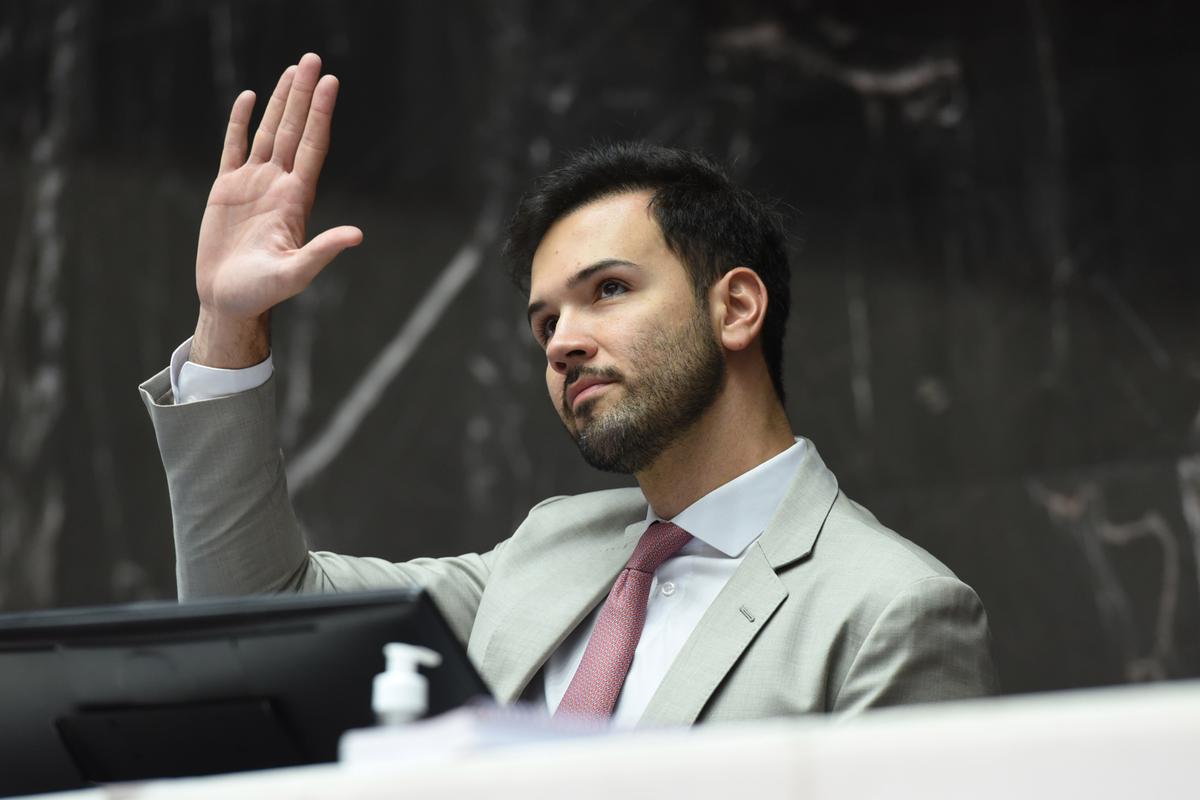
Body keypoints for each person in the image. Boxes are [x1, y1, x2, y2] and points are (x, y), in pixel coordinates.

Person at [140, 53, 996, 726]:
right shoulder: (548, 552)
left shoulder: (892, 611)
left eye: (610, 290)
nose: (564, 342)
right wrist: (227, 321)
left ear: (736, 307)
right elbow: (256, 619)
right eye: (545, 321)